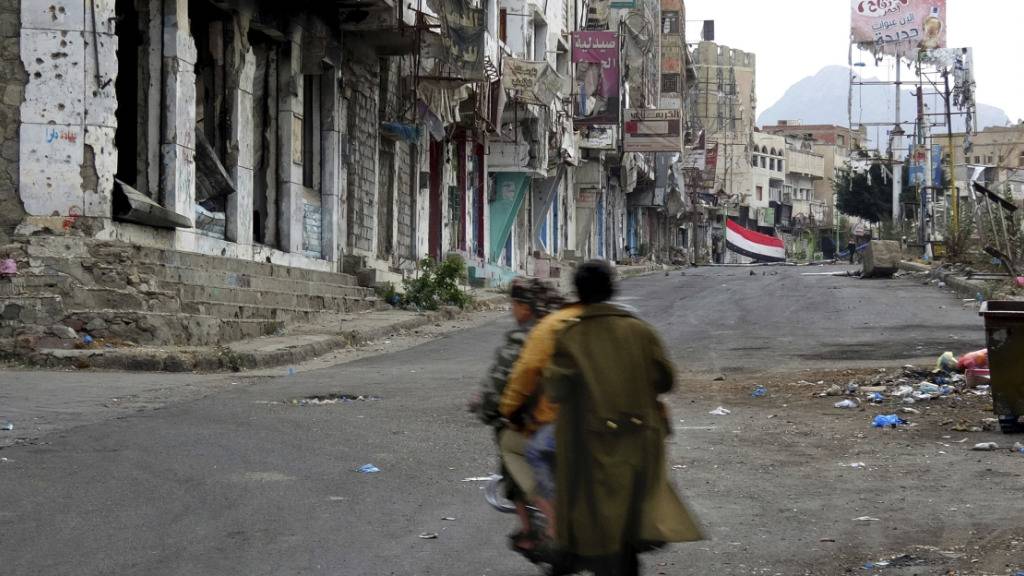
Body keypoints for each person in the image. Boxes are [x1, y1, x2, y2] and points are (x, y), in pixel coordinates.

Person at [544, 261, 702, 576]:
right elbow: (665, 379)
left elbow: (555, 389)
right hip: (642, 441)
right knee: (632, 517)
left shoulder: (571, 337)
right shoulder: (640, 331)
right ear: (612, 289)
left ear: (578, 293)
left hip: (593, 446)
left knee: (599, 522)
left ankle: (574, 556)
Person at [470, 278, 563, 550]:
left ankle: (533, 528)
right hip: (583, 420)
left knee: (508, 447)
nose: (513, 310)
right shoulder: (567, 327)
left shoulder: (525, 338)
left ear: (524, 307)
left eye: (515, 304)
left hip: (542, 424)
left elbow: (503, 384)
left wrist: (489, 409)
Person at [498, 289, 583, 547]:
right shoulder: (615, 323)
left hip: (567, 422)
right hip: (614, 419)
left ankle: (552, 521)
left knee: (528, 451)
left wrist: (509, 410)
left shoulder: (546, 330)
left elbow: (523, 376)